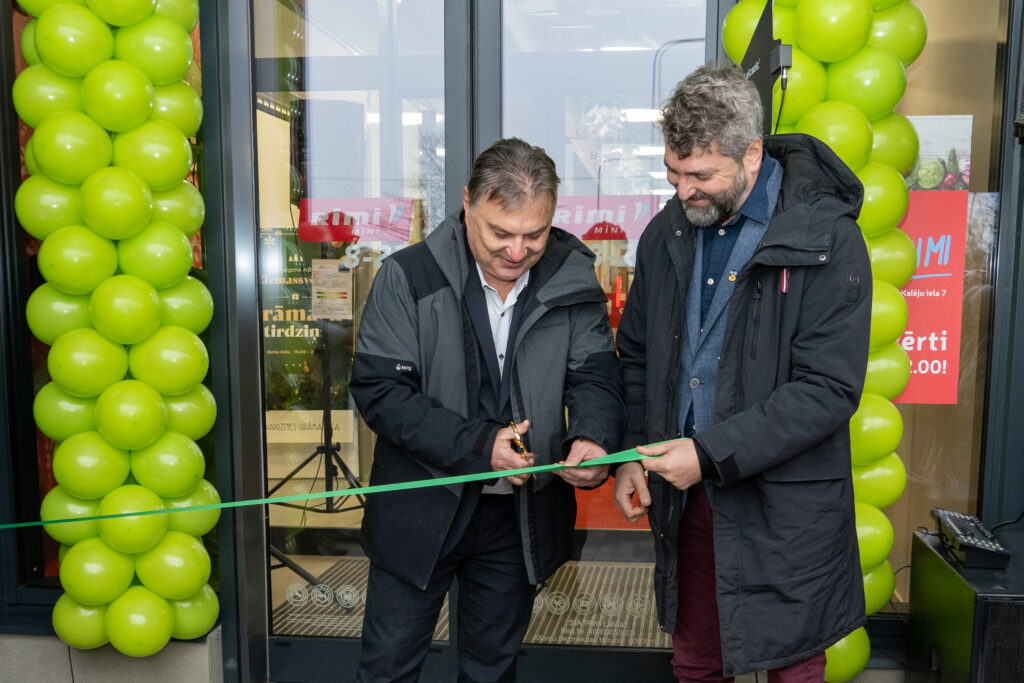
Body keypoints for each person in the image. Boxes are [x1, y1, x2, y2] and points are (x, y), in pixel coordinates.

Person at [613, 63, 872, 682]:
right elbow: (638, 357)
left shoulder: (828, 238)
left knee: (792, 670)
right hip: (688, 505)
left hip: (787, 512)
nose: (683, 192)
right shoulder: (666, 233)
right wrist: (630, 456)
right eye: (673, 173)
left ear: (751, 154)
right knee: (697, 665)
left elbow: (828, 389)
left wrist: (708, 453)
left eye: (701, 175)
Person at [349, 137, 624, 682]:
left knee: (491, 672)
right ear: (467, 203)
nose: (517, 252)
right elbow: (382, 393)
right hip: (419, 505)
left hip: (516, 521)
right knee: (387, 669)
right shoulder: (407, 276)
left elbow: (596, 377)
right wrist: (479, 445)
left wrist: (592, 438)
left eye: (534, 235)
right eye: (501, 233)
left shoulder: (573, 281)